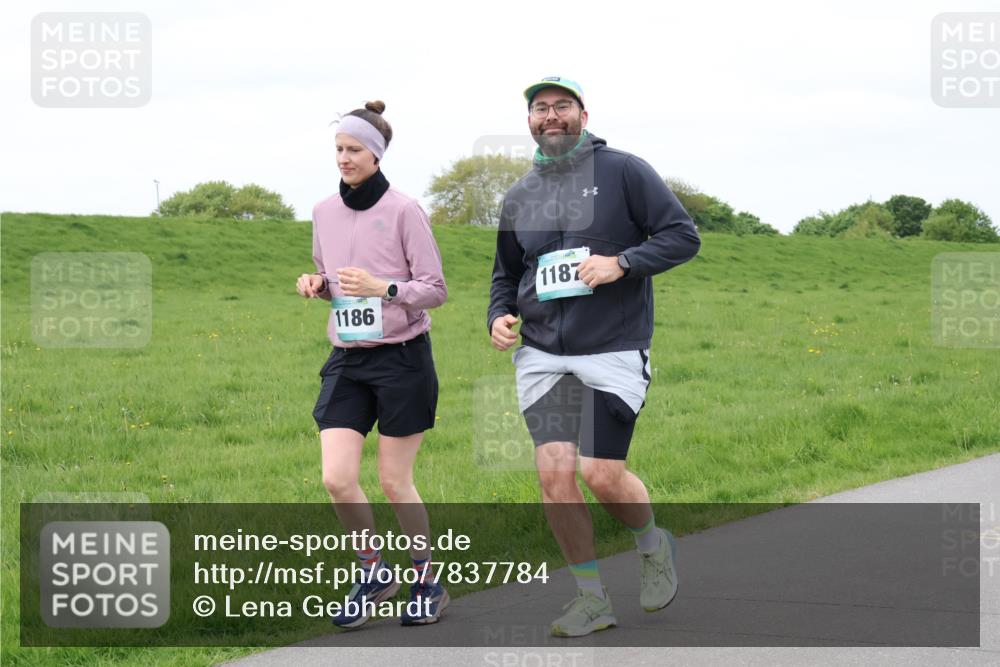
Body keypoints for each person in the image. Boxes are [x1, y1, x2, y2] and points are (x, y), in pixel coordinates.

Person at [487, 77, 701, 637]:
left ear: (584, 114)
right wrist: (498, 317)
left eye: (562, 106)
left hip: (611, 346)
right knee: (554, 473)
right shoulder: (518, 195)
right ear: (529, 120)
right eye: (540, 109)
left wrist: (622, 263)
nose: (550, 116)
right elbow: (507, 274)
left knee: (602, 474)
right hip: (541, 354)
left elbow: (682, 236)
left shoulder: (625, 170)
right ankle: (591, 599)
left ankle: (653, 545)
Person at [297, 100, 449, 628]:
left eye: (354, 149)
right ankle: (373, 572)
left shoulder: (405, 210)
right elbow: (331, 280)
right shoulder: (322, 211)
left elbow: (435, 290)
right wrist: (316, 286)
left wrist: (384, 288)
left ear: (377, 155)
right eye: (338, 149)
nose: (343, 158)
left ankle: (427, 580)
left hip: (403, 359)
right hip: (347, 358)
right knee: (337, 479)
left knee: (392, 482)